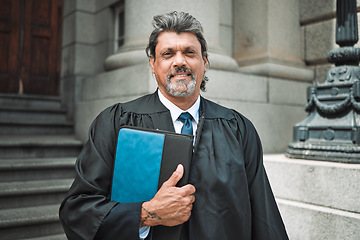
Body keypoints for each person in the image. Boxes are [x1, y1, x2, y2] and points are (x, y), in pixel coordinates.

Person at [59, 11, 289, 240]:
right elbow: (78, 211)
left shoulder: (238, 129)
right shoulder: (116, 123)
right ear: (153, 64)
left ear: (205, 62)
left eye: (190, 52)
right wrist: (144, 214)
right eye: (168, 54)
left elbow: (263, 216)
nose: (180, 61)